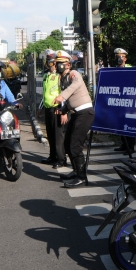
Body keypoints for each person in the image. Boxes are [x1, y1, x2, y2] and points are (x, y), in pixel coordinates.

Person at [53, 50, 95, 188]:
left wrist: (62, 96)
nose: (58, 65)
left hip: (85, 113)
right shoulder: (62, 78)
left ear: (68, 65)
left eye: (61, 63)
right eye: (57, 63)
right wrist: (62, 109)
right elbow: (71, 99)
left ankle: (82, 177)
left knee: (75, 146)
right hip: (76, 113)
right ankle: (76, 171)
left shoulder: (74, 74)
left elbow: (75, 86)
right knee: (67, 144)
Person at [40, 50, 68, 169]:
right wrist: (40, 107)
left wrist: (63, 110)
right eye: (48, 61)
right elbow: (45, 93)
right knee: (50, 134)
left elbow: (64, 94)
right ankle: (52, 156)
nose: (49, 63)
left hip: (57, 108)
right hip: (48, 108)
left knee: (58, 135)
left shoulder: (59, 76)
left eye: (51, 61)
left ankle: (61, 159)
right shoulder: (46, 75)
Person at [112, 48, 136, 155]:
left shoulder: (130, 69)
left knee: (129, 123)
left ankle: (130, 147)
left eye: (121, 56)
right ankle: (124, 144)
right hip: (119, 101)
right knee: (121, 122)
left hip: (129, 101)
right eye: (117, 56)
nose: (119, 58)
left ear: (125, 58)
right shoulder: (114, 70)